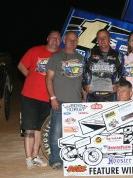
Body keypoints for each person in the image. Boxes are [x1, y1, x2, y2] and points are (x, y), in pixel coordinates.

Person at [18, 30, 61, 169]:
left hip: (48, 97)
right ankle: (28, 158)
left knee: (40, 128)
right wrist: (31, 77)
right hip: (30, 95)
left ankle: (36, 155)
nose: (55, 40)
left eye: (58, 38)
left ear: (60, 41)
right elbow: (21, 66)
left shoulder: (61, 54)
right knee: (29, 127)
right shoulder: (35, 50)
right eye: (52, 37)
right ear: (47, 38)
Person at [46, 31, 84, 170]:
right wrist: (52, 98)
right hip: (59, 101)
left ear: (77, 41)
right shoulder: (56, 57)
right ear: (64, 40)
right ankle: (55, 160)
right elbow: (48, 78)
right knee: (56, 132)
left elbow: (83, 81)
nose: (72, 42)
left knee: (74, 134)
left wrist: (84, 99)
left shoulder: (81, 58)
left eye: (74, 40)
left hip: (76, 103)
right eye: (69, 40)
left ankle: (71, 159)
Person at [82, 29, 124, 102]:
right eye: (99, 38)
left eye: (104, 37)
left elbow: (122, 75)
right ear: (97, 40)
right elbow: (83, 73)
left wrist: (117, 86)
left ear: (109, 39)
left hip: (111, 97)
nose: (102, 40)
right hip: (93, 97)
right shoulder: (89, 53)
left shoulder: (119, 56)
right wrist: (85, 86)